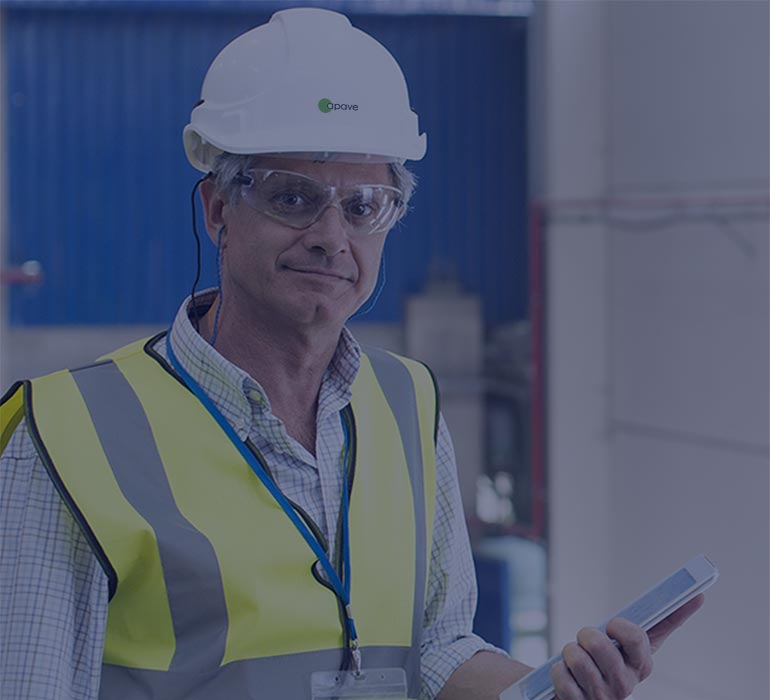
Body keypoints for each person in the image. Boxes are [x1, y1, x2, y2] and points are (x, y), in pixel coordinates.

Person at [0, 7, 703, 700]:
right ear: (217, 209)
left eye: (365, 204)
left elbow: (437, 648)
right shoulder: (66, 437)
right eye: (292, 198)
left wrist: (545, 690)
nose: (332, 236)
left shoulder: (407, 403)